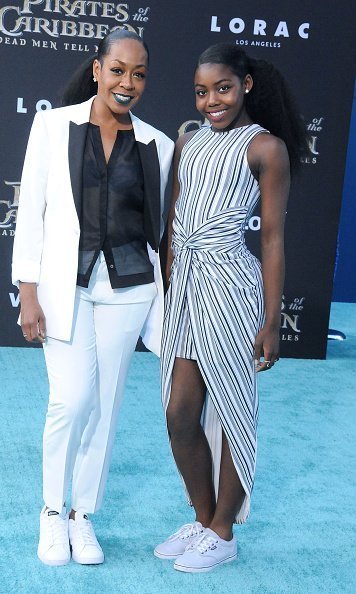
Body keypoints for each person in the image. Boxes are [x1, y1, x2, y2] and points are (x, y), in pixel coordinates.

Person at [12, 29, 174, 567]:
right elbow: (31, 208)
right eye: (120, 70)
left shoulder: (158, 144)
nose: (128, 83)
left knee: (105, 406)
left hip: (129, 289)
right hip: (65, 286)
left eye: (140, 74)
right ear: (98, 68)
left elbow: (159, 230)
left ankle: (84, 516)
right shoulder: (53, 126)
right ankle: (52, 513)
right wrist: (27, 290)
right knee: (72, 399)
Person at [154, 43, 309, 573]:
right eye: (201, 92)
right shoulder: (189, 140)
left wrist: (271, 319)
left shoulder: (265, 147)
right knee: (178, 412)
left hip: (232, 286)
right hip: (188, 290)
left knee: (233, 410)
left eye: (222, 88)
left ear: (245, 85)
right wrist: (171, 285)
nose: (211, 101)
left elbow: (271, 239)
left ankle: (224, 530)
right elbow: (174, 220)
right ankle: (203, 521)